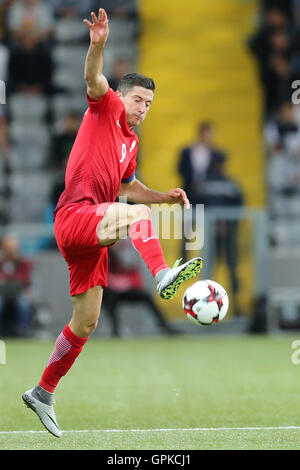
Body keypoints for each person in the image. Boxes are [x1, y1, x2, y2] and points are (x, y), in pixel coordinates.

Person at [22, 8, 202, 438]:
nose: (143, 108)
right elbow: (93, 79)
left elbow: (128, 187)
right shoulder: (105, 107)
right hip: (76, 215)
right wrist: (97, 46)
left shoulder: (130, 142)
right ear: (123, 97)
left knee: (86, 321)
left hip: (93, 230)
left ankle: (42, 392)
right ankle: (161, 276)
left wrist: (164, 196)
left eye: (149, 104)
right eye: (139, 100)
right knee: (137, 218)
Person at [103, 240, 181, 336]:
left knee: (146, 297)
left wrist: (127, 283)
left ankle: (165, 327)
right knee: (109, 297)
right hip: (108, 289)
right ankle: (115, 330)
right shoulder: (104, 252)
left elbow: (132, 272)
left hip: (124, 288)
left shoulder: (126, 252)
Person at [0, 234, 34, 337]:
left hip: (20, 295)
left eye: (13, 248)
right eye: (8, 248)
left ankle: (22, 331)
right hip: (2, 296)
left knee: (23, 304)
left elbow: (28, 283)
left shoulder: (25, 264)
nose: (11, 251)